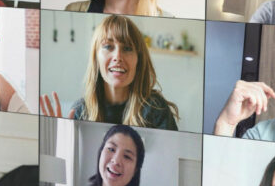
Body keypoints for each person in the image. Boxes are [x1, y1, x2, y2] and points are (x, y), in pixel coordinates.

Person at [41, 14, 179, 130]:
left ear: (139, 59)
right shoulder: (80, 111)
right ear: (96, 58)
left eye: (127, 48)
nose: (118, 57)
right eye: (108, 46)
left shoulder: (156, 109)